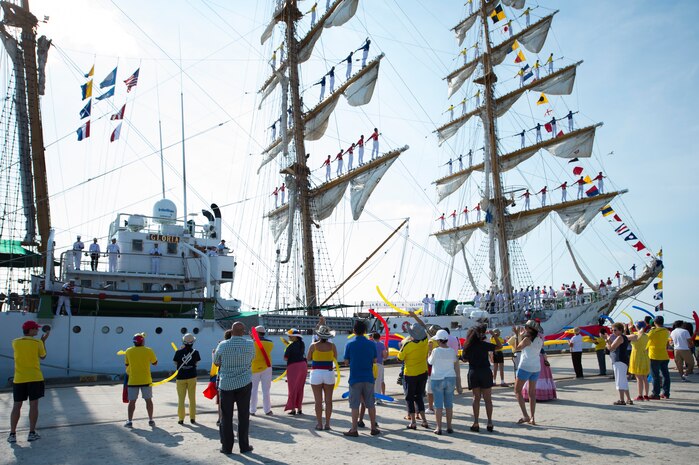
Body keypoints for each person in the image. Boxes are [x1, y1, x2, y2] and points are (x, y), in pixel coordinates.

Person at [214, 322, 255, 455]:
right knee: (243, 416)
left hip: (226, 385)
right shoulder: (250, 344)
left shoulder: (222, 345)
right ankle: (244, 446)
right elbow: (252, 359)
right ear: (243, 331)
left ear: (231, 331)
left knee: (226, 416)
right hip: (244, 383)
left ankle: (227, 447)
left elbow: (216, 362)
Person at [8, 321, 49, 443]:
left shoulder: (15, 342)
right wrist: (43, 341)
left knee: (17, 406)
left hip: (19, 378)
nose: (37, 331)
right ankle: (31, 432)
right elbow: (43, 356)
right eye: (36, 329)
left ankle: (12, 434)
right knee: (34, 405)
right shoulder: (37, 342)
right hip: (35, 378)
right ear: (30, 330)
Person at [341, 320, 379, 437]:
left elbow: (346, 362)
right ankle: (373, 428)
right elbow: (374, 360)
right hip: (368, 377)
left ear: (354, 331)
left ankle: (354, 429)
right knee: (370, 404)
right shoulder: (372, 344)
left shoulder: (349, 344)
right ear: (365, 331)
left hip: (355, 378)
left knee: (354, 405)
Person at [461, 325, 501, 432]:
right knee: (488, 399)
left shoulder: (467, 346)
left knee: (476, 398)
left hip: (474, 372)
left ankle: (476, 422)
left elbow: (464, 359)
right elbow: (499, 346)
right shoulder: (484, 345)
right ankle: (489, 422)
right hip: (485, 371)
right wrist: (494, 335)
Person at [397, 311, 429, 430]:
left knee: (409, 398)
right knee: (419, 397)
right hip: (423, 372)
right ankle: (424, 421)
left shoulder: (408, 345)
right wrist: (415, 316)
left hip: (410, 374)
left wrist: (403, 344)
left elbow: (400, 358)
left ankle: (413, 422)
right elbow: (424, 327)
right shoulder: (425, 341)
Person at [124, 333, 158, 428]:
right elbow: (155, 363)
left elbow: (127, 365)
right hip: (146, 380)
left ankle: (130, 421)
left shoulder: (128, 351)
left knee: (132, 402)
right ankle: (151, 420)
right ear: (142, 341)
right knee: (148, 400)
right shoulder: (148, 350)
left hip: (133, 380)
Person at [514, 320, 544, 425]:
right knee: (532, 393)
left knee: (517, 391)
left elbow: (517, 348)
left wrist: (517, 334)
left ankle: (525, 416)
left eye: (526, 327)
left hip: (525, 366)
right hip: (536, 367)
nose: (525, 328)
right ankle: (532, 418)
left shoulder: (527, 339)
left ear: (530, 329)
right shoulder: (539, 339)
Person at [308, 325, 337, 430]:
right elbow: (335, 358)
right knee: (328, 400)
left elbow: (308, 358)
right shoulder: (332, 346)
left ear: (318, 335)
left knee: (318, 401)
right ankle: (328, 424)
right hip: (329, 372)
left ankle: (319, 424)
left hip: (316, 373)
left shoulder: (313, 345)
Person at [428, 329, 457, 435]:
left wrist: (430, 351)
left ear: (439, 340)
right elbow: (454, 362)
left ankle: (438, 427)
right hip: (450, 377)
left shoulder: (436, 351)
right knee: (449, 404)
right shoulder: (452, 351)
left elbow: (430, 362)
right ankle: (449, 427)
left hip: (437, 378)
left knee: (438, 405)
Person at [174, 333, 201, 425]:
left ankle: (181, 419)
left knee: (181, 399)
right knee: (192, 398)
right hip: (192, 376)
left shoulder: (178, 352)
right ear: (193, 342)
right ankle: (192, 418)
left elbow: (175, 363)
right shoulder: (196, 352)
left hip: (181, 377)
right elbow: (196, 363)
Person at [604, 323, 633, 405]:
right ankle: (628, 399)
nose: (613, 332)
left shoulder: (620, 337)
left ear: (620, 330)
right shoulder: (623, 337)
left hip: (619, 360)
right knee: (623, 380)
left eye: (615, 330)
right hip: (622, 360)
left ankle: (622, 400)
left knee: (619, 380)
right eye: (612, 330)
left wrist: (607, 341)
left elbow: (611, 348)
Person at [250, 325, 274, 416]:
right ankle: (267, 410)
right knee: (266, 390)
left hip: (254, 367)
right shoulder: (270, 343)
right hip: (267, 367)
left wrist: (253, 338)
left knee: (253, 390)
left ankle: (252, 410)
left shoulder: (251, 342)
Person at [283, 328, 307, 415]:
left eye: (290, 336)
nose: (289, 337)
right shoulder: (302, 344)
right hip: (303, 365)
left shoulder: (290, 346)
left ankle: (293, 409)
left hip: (293, 366)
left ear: (295, 337)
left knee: (292, 388)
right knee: (300, 388)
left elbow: (285, 358)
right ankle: (299, 408)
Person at [646, 316, 671, 399]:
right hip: (664, 355)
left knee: (655, 376)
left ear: (655, 323)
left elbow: (646, 339)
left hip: (654, 355)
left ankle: (655, 393)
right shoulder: (666, 331)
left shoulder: (653, 331)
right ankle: (666, 393)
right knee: (665, 375)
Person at [627, 321, 650, 401]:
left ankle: (640, 395)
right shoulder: (646, 336)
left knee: (639, 378)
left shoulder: (636, 336)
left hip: (636, 356)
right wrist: (631, 330)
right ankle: (646, 395)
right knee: (644, 378)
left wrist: (628, 329)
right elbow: (635, 335)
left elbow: (627, 337)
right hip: (644, 356)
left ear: (636, 327)